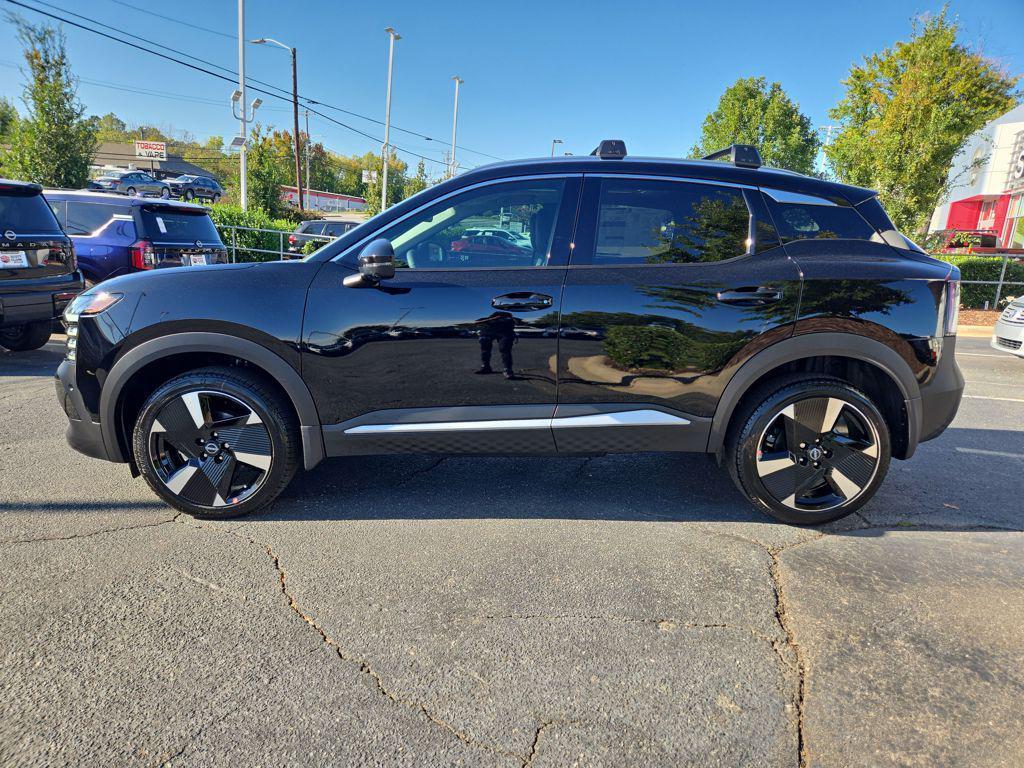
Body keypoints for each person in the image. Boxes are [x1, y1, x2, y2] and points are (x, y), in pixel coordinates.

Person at [474, 310, 516, 379]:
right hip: (488, 332)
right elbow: (476, 322)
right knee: (485, 350)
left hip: (504, 333)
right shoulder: (489, 319)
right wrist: (493, 318)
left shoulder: (509, 319)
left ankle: (508, 369)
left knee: (505, 350)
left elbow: (517, 322)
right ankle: (486, 367)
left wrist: (510, 319)